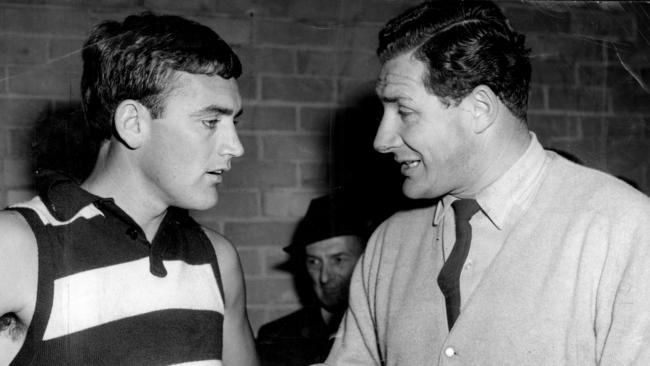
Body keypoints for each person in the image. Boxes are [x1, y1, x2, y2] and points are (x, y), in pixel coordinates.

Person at [319, 1, 650, 365]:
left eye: (405, 112)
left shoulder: (625, 228)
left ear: (480, 108)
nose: (381, 140)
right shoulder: (388, 244)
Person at [0, 12, 259, 365]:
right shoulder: (18, 246)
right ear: (133, 123)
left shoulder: (218, 259)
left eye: (234, 122)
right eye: (211, 121)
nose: (235, 147)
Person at [257, 190, 369, 366]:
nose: (324, 277)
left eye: (338, 260)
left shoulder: (387, 332)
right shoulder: (277, 338)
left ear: (365, 259)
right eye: (314, 262)